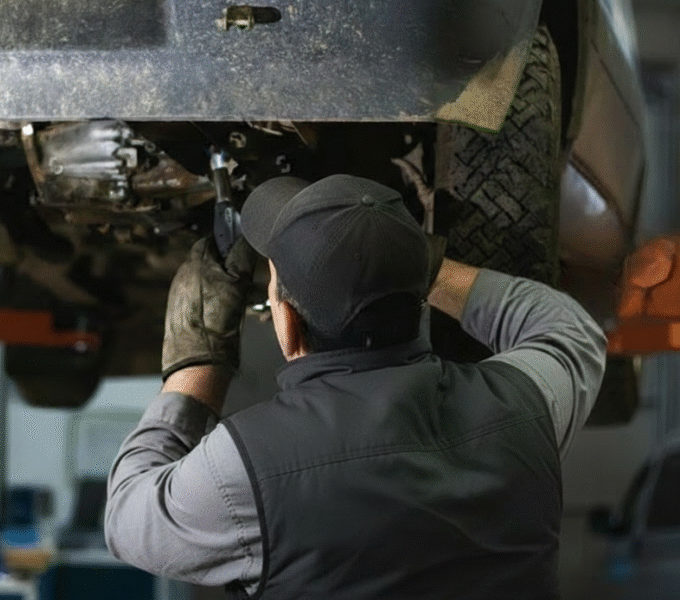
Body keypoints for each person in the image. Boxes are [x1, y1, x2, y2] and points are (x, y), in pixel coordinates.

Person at [104, 174, 605, 599]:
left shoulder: (245, 473)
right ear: (419, 297)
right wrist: (412, 263)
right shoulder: (524, 410)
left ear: (288, 325)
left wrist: (196, 360)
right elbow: (566, 327)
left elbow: (127, 518)